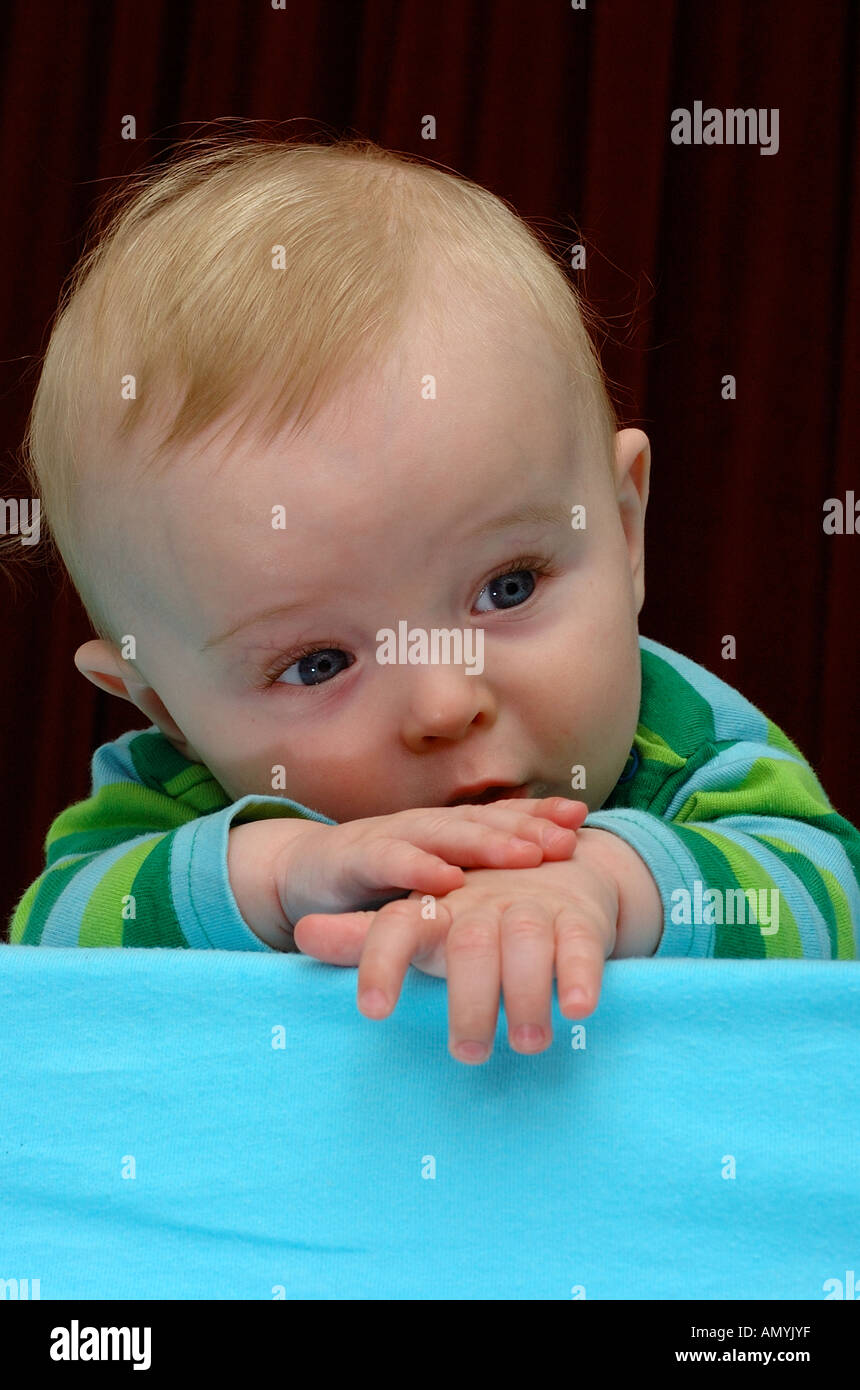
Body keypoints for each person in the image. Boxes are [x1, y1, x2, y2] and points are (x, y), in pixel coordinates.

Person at [6, 135, 859, 1066]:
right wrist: (277, 876)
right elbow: (50, 942)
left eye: (507, 588)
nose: (446, 705)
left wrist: (613, 886)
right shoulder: (186, 803)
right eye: (319, 663)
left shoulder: (686, 745)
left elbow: (829, 905)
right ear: (165, 709)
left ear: (621, 531)